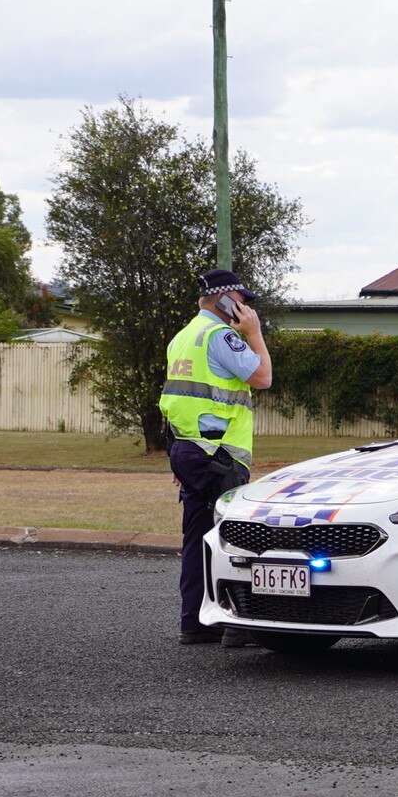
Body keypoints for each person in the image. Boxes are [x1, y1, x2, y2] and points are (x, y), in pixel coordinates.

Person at [159, 268, 272, 645]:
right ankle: (239, 626)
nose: (247, 308)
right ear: (226, 299)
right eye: (243, 301)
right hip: (221, 454)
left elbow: (177, 399)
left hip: (190, 449)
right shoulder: (222, 335)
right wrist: (253, 334)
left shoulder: (183, 336)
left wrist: (181, 452)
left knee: (196, 537)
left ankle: (194, 622)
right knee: (234, 538)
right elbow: (262, 377)